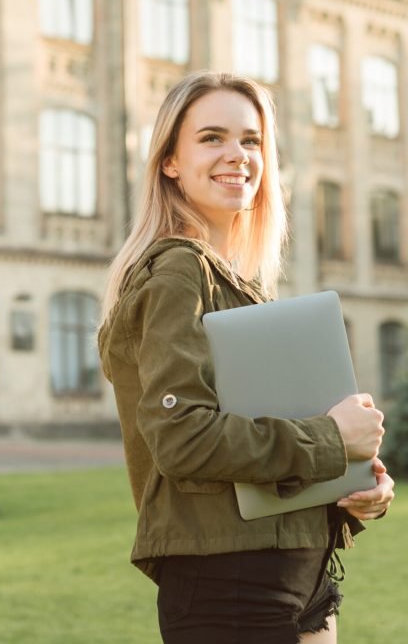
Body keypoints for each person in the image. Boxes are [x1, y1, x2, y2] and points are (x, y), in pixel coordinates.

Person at [97, 71, 394, 643]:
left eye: (251, 140)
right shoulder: (179, 271)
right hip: (232, 588)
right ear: (170, 162)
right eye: (212, 137)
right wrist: (331, 439)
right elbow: (182, 439)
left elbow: (265, 456)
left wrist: (354, 488)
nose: (237, 155)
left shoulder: (243, 287)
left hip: (298, 577)